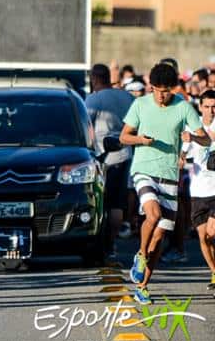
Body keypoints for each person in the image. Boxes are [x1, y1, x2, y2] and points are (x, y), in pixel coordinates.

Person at [121, 63, 210, 305]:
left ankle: (142, 286)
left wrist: (192, 137)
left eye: (166, 91)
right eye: (158, 91)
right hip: (144, 170)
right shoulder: (140, 105)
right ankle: (140, 256)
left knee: (159, 237)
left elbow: (205, 138)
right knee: (153, 214)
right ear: (151, 88)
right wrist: (141, 139)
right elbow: (123, 136)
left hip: (170, 175)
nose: (162, 95)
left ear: (173, 89)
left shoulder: (183, 107)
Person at [86, 63, 135, 255]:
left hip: (102, 158)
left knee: (101, 202)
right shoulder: (127, 97)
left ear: (94, 79)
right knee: (117, 203)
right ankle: (112, 244)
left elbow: (85, 125)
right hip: (125, 154)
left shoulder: (94, 99)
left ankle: (100, 244)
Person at [182, 89, 215, 290]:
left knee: (212, 233)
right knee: (203, 238)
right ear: (200, 107)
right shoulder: (191, 129)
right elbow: (181, 157)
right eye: (208, 107)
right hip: (197, 191)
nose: (212, 111)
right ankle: (214, 272)